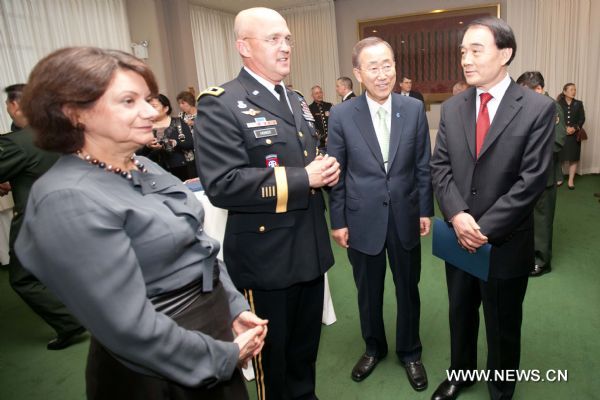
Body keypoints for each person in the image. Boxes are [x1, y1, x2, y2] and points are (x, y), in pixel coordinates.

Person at [15, 46, 267, 400]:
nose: (151, 111)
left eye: (148, 99)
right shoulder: (66, 198)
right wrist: (222, 356)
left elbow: (200, 249)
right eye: (129, 101)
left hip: (211, 337)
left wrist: (233, 308)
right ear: (73, 113)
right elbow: (128, 326)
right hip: (157, 372)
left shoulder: (146, 166)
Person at [194, 7, 340, 400]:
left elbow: (303, 159)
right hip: (266, 259)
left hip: (308, 249)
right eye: (273, 39)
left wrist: (323, 168)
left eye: (288, 38)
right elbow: (222, 183)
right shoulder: (222, 103)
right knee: (272, 368)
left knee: (303, 356)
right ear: (244, 46)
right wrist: (303, 177)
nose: (286, 47)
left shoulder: (295, 100)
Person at [430, 17, 555, 400]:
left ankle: (501, 387)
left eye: (476, 50)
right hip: (458, 235)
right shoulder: (453, 108)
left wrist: (481, 228)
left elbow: (531, 181)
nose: (465, 59)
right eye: (463, 51)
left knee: (502, 321)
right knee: (461, 313)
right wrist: (456, 215)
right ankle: (461, 373)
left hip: (504, 241)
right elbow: (440, 168)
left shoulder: (536, 108)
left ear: (505, 54)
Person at [328, 37, 433, 391]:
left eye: (387, 64)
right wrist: (338, 220)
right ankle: (374, 347)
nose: (383, 73)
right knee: (367, 291)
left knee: (408, 287)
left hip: (405, 214)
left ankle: (410, 351)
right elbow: (337, 172)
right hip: (362, 218)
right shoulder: (342, 114)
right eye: (373, 67)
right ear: (358, 73)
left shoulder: (413, 109)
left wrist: (425, 210)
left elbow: (422, 165)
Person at [1, 83, 85, 350]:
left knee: (23, 279)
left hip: (33, 217)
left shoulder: (17, 143)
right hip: (70, 210)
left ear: (15, 105)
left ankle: (69, 322)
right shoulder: (62, 133)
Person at [516, 71, 566, 277]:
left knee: (542, 219)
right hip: (526, 174)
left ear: (538, 89)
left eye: (525, 92)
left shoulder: (552, 107)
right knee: (528, 218)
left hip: (543, 175)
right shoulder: (530, 106)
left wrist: (526, 150)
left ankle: (542, 261)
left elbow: (557, 141)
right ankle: (529, 255)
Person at [145, 94, 197, 180]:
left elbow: (190, 144)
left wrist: (173, 142)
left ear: (166, 108)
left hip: (182, 169)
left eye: (154, 106)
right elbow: (137, 152)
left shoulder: (178, 123)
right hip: (155, 172)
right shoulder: (144, 126)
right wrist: (148, 146)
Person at [557, 83, 585, 189]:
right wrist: (564, 128)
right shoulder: (558, 103)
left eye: (575, 89)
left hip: (574, 136)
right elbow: (555, 118)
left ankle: (570, 180)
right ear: (565, 92)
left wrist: (575, 128)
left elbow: (582, 118)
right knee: (559, 157)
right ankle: (559, 179)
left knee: (573, 158)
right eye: (571, 89)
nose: (574, 91)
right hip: (561, 134)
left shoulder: (579, 103)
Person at [308, 85, 333, 151]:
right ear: (312, 96)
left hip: (332, 141)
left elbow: (334, 122)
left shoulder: (329, 106)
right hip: (320, 144)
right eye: (316, 93)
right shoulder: (309, 109)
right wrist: (324, 138)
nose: (319, 95)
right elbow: (312, 126)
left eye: (320, 92)